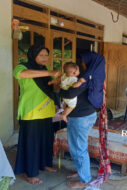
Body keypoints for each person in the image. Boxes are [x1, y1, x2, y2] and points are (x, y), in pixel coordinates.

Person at [13, 45, 61, 184]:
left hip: (46, 111)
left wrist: (57, 82)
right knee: (31, 144)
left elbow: (54, 89)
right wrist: (49, 73)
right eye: (41, 55)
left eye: (46, 55)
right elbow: (21, 75)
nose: (45, 58)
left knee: (46, 141)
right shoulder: (22, 67)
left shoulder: (45, 70)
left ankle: (44, 164)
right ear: (33, 55)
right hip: (31, 112)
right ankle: (30, 172)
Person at [59, 51, 105, 189]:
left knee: (79, 149)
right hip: (86, 115)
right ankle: (81, 171)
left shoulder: (84, 79)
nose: (82, 63)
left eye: (84, 61)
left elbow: (68, 93)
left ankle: (84, 180)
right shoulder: (91, 76)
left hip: (80, 118)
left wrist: (60, 90)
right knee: (78, 147)